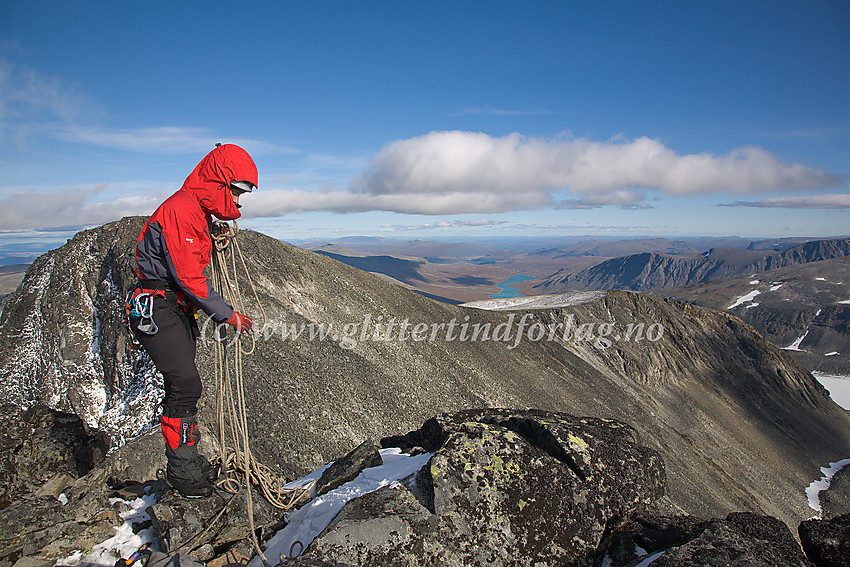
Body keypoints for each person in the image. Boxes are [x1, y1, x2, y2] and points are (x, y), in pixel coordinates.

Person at [128, 143, 256, 497]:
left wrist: (211, 234)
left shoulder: (195, 211)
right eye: (239, 190)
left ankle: (186, 463)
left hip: (173, 308)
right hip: (159, 307)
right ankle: (183, 473)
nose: (241, 199)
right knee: (185, 385)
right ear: (220, 182)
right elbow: (188, 277)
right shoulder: (181, 211)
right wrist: (228, 315)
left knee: (183, 386)